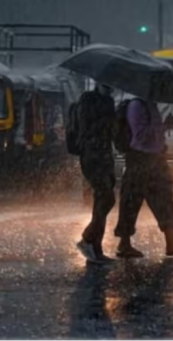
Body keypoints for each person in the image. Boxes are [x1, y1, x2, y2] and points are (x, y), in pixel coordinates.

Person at [114, 98, 173, 258]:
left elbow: (153, 135)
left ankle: (171, 242)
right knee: (131, 201)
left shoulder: (151, 106)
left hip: (156, 158)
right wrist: (161, 127)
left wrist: (165, 127)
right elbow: (140, 135)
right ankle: (124, 244)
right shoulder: (136, 106)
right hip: (140, 159)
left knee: (164, 198)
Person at [75, 83, 117, 264]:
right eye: (106, 85)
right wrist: (110, 117)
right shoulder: (87, 100)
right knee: (107, 198)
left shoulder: (109, 101)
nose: (110, 88)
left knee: (102, 200)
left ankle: (96, 247)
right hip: (92, 155)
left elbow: (111, 132)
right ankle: (87, 239)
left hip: (105, 155)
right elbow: (90, 126)